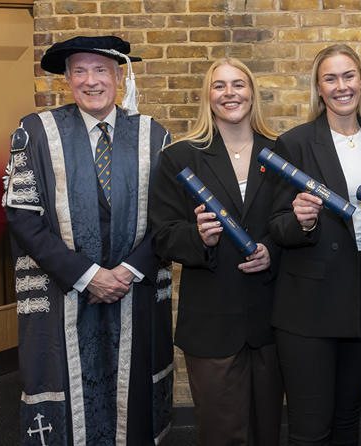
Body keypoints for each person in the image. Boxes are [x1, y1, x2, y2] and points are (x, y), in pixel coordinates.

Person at [3, 35, 173, 445]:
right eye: (80, 71)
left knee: (132, 410)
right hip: (63, 295)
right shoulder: (36, 132)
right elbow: (23, 219)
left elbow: (168, 219)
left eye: (101, 71)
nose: (91, 81)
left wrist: (125, 273)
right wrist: (88, 275)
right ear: (66, 79)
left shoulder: (153, 135)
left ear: (119, 77)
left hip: (133, 292)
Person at [149, 58, 284, 445]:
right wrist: (200, 238)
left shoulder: (280, 152)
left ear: (252, 93)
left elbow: (290, 220)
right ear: (208, 97)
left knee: (267, 430)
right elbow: (162, 235)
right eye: (219, 86)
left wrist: (272, 251)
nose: (230, 94)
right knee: (221, 433)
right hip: (211, 322)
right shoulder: (180, 158)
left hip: (272, 318)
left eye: (238, 85)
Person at [267, 44, 361, 446]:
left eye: (349, 76)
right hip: (309, 304)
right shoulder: (295, 144)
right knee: (309, 427)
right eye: (331, 78)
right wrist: (302, 222)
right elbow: (276, 226)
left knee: (347, 419)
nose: (342, 86)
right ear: (318, 89)